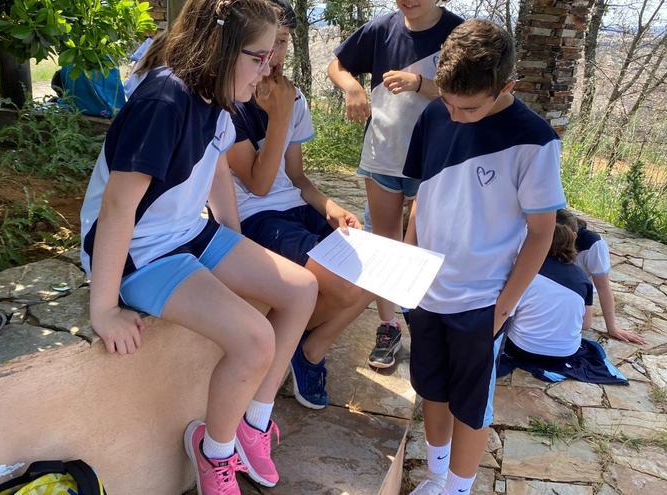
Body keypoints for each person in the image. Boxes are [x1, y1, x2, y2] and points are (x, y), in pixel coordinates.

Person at [79, 2, 318, 492]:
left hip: (187, 231)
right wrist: (103, 309)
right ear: (223, 49)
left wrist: (234, 239)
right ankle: (215, 453)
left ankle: (254, 424)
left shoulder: (217, 93)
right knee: (255, 341)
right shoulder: (163, 102)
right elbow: (119, 210)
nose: (269, 69)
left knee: (301, 288)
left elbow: (218, 171)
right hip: (140, 251)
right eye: (260, 57)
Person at [402, 20, 565, 495]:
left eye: (468, 107)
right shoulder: (435, 114)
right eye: (449, 101)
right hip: (427, 289)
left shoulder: (535, 140)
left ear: (506, 87)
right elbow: (421, 199)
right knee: (430, 387)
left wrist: (503, 308)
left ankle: (457, 488)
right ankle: (435, 476)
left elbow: (541, 234)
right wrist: (409, 265)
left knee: (470, 405)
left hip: (482, 300)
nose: (454, 115)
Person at [227, 0, 371, 410]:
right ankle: (286, 341)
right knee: (345, 283)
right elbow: (257, 185)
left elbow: (297, 178)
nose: (273, 54)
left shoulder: (294, 97)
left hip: (295, 207)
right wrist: (278, 117)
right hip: (258, 217)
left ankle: (307, 349)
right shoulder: (232, 101)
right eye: (265, 44)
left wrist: (330, 206)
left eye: (283, 42)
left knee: (379, 273)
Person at [327, 0, 463, 369]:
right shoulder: (381, 28)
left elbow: (468, 93)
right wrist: (352, 87)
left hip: (435, 158)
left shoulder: (457, 33)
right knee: (385, 242)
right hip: (383, 151)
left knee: (429, 245)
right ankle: (388, 327)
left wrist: (420, 83)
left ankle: (429, 323)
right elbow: (336, 65)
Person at [497, 209, 629, 385]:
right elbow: (586, 324)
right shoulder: (583, 280)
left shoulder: (526, 271)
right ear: (572, 238)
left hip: (520, 350)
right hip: (564, 355)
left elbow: (506, 311)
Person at [572, 213, 646, 344]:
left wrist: (612, 328)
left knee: (584, 323)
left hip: (577, 290)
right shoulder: (540, 235)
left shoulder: (594, 245)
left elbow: (603, 287)